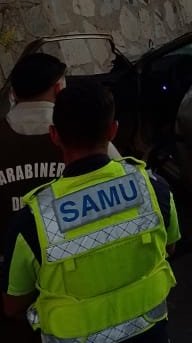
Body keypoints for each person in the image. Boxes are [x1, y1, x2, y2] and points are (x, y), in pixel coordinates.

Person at [2, 82, 180, 343]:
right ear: (112, 130)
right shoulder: (154, 190)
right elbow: (170, 246)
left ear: (54, 135)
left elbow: (13, 304)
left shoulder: (32, 219)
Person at [0, 53, 121, 341]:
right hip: (79, 287)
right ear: (58, 89)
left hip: (13, 294)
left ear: (14, 93)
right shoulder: (83, 138)